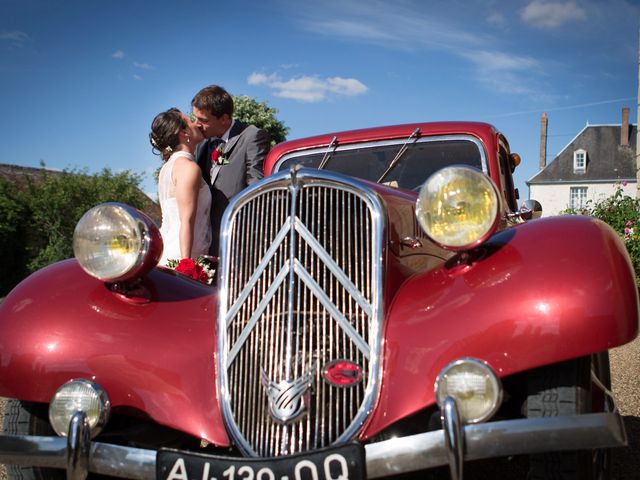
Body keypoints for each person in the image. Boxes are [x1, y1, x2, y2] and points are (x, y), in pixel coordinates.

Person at [191, 85, 270, 255]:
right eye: (195, 118)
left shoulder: (252, 136)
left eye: (203, 120)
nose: (196, 125)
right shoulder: (203, 144)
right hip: (205, 237)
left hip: (237, 236)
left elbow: (256, 187)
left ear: (224, 119)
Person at [150, 108, 212, 265]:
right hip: (181, 255)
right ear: (184, 134)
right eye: (191, 121)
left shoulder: (167, 167)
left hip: (167, 249)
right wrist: (187, 265)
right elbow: (187, 220)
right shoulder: (187, 167)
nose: (197, 123)